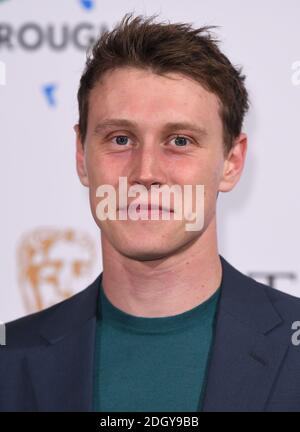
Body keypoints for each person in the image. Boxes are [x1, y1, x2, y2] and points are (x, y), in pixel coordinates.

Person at [1, 12, 299, 412]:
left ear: (231, 161)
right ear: (81, 155)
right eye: (120, 138)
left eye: (179, 140)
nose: (145, 173)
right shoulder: (9, 359)